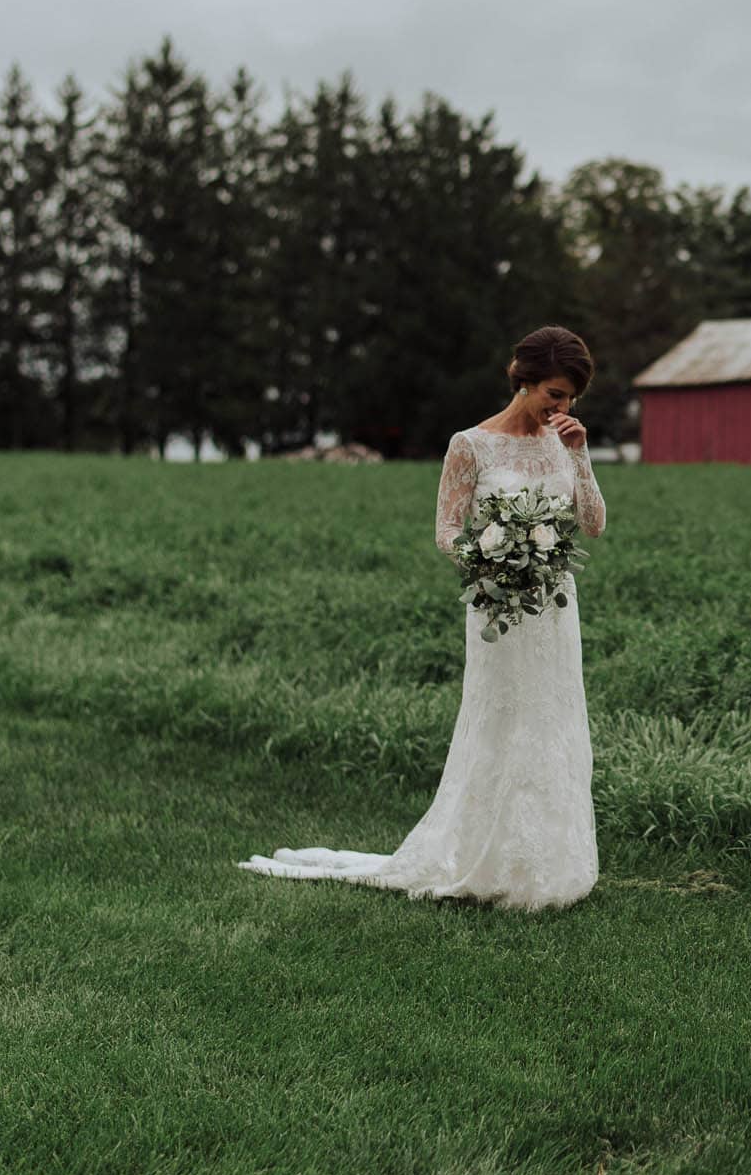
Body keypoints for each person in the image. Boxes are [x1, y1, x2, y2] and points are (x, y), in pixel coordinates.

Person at [238, 326, 608, 909]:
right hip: (496, 603)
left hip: (554, 609)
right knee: (502, 722)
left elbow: (592, 524)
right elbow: (445, 529)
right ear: (524, 379)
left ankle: (548, 862)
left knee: (553, 722)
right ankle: (482, 855)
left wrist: (581, 453)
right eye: (555, 395)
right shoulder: (471, 445)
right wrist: (492, 559)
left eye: (569, 399)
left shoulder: (566, 442)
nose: (561, 409)